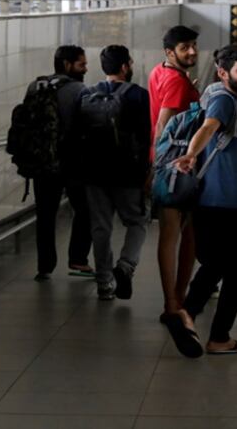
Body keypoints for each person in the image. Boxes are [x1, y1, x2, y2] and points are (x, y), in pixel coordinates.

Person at [174, 45, 237, 355]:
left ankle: (187, 318)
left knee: (216, 265)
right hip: (224, 203)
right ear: (223, 73)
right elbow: (208, 128)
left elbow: (229, 151)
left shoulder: (227, 101)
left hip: (220, 198)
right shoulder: (224, 102)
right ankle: (217, 337)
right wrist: (190, 153)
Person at [79, 45, 151, 301]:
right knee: (137, 222)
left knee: (101, 227)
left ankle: (103, 283)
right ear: (125, 67)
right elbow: (146, 137)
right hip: (128, 172)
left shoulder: (87, 94)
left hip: (94, 172)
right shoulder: (139, 96)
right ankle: (125, 266)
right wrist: (147, 172)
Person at [22, 45, 94, 281]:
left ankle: (45, 266)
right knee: (85, 209)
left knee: (45, 214)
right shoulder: (79, 89)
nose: (85, 69)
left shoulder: (36, 86)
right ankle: (78, 259)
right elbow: (87, 125)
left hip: (41, 160)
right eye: (81, 64)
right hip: (72, 160)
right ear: (67, 65)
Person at [149, 25, 201, 344]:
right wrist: (160, 167)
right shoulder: (177, 82)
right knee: (182, 235)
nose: (192, 52)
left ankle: (175, 300)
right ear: (171, 52)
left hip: (166, 165)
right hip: (176, 167)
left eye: (193, 45)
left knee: (174, 234)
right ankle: (175, 301)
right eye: (185, 48)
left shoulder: (159, 73)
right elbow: (162, 123)